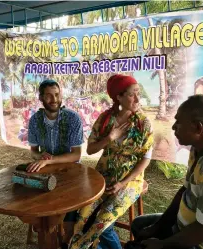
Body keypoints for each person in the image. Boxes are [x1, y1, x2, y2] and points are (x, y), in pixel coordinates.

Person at [128, 95, 203, 249]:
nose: (173, 127)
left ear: (198, 128)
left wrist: (162, 244)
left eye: (179, 122)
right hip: (190, 228)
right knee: (140, 226)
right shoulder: (199, 149)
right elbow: (184, 192)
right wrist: (157, 227)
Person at [69, 74, 154, 249]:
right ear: (119, 97)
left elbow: (146, 159)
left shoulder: (143, 123)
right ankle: (81, 245)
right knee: (81, 218)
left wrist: (122, 183)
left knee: (101, 222)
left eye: (138, 92)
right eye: (132, 94)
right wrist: (109, 137)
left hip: (130, 181)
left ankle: (78, 246)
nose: (138, 98)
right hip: (102, 177)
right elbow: (91, 149)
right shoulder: (105, 119)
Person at [27, 79, 84, 246]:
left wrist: (50, 160)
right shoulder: (35, 120)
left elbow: (76, 155)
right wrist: (40, 157)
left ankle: (66, 239)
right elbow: (33, 151)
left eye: (57, 95)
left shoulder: (72, 118)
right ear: (41, 98)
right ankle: (44, 229)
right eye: (49, 96)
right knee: (34, 199)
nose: (54, 99)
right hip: (45, 169)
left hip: (70, 170)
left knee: (70, 200)